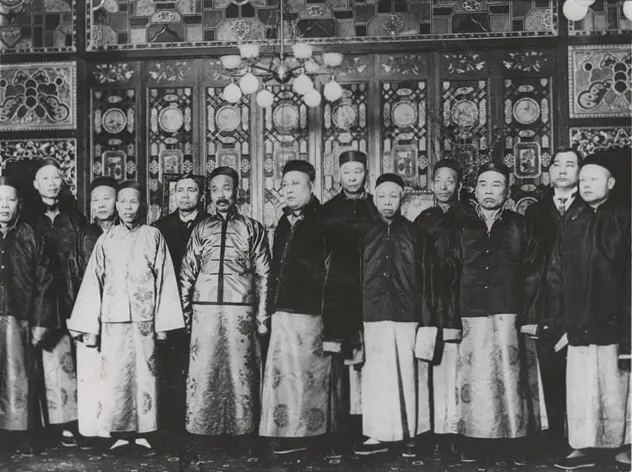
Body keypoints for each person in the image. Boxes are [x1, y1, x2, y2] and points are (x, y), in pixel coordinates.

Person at [67, 180, 185, 456]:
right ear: (117, 206)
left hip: (144, 320)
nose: (128, 207)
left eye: (134, 202)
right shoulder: (106, 239)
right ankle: (120, 433)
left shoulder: (153, 235)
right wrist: (90, 325)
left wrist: (163, 324)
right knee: (115, 378)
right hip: (113, 321)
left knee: (146, 376)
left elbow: (165, 278)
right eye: (123, 202)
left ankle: (145, 434)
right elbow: (93, 282)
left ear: (142, 206)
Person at [448, 162, 547, 465]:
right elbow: (449, 272)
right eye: (483, 185)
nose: (489, 191)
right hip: (471, 312)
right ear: (474, 189)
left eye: (496, 185)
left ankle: (515, 442)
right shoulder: (460, 225)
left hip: (510, 313)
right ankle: (475, 442)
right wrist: (450, 317)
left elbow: (534, 273)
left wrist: (530, 316)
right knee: (475, 380)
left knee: (511, 377)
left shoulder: (521, 225)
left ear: (507, 190)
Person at [546, 150, 630, 470]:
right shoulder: (573, 218)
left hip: (616, 321)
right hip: (578, 321)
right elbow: (556, 272)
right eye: (582, 180)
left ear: (610, 182)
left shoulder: (625, 216)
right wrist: (558, 320)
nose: (585, 185)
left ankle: (625, 444)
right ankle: (584, 446)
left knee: (617, 386)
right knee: (583, 386)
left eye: (593, 179)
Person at [180, 166, 270, 447]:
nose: (222, 195)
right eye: (216, 189)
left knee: (240, 372)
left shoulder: (252, 227)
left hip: (240, 310)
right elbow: (187, 272)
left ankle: (242, 430)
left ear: (237, 192)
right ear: (209, 193)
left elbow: (264, 274)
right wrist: (184, 314)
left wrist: (263, 315)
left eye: (227, 188)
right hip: (204, 309)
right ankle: (204, 430)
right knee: (205, 371)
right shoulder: (200, 228)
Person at [355, 173, 439, 456]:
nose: (387, 202)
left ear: (402, 197)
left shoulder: (417, 235)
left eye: (393, 196)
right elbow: (354, 278)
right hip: (373, 315)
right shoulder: (364, 234)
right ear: (374, 198)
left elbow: (428, 281)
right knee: (377, 377)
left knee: (410, 376)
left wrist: (427, 322)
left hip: (408, 315)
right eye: (382, 196)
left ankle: (412, 434)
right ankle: (378, 435)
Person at [259, 160, 336, 454]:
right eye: (286, 184)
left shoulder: (324, 221)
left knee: (309, 377)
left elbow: (333, 271)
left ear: (311, 187)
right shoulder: (282, 223)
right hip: (282, 312)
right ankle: (283, 433)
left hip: (311, 313)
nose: (289, 190)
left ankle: (308, 437)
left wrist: (329, 313)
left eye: (296, 184)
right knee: (282, 377)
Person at [22, 157, 86, 447]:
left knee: (63, 363)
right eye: (45, 178)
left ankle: (65, 425)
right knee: (30, 363)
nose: (51, 183)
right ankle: (31, 427)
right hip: (32, 298)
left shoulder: (74, 218)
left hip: (67, 298)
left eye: (56, 177)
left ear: (63, 182)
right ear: (36, 185)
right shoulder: (26, 218)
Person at [524, 147, 585, 442]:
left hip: (582, 300)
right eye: (556, 164)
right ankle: (554, 439)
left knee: (582, 372)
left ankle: (581, 438)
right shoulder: (535, 212)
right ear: (548, 171)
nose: (562, 170)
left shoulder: (590, 208)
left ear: (579, 172)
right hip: (546, 302)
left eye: (570, 164)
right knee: (549, 370)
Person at [321, 150, 378, 451]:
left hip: (372, 291)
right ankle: (341, 427)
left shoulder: (376, 206)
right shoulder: (329, 210)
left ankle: (369, 424)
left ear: (366, 173)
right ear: (338, 175)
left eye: (358, 171)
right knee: (341, 363)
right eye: (347, 172)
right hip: (340, 293)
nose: (353, 177)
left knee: (371, 360)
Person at [414, 160, 467, 454]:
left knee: (459, 367)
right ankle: (435, 430)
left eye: (451, 180)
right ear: (432, 184)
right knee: (433, 366)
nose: (445, 186)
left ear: (458, 185)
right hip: (430, 300)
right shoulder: (424, 219)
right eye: (439, 180)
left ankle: (457, 429)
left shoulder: (469, 216)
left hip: (460, 299)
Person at [0, 176, 56, 455]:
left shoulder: (30, 235)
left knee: (20, 379)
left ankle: (21, 436)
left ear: (19, 203)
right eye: (0, 200)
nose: (4, 206)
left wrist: (41, 321)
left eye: (10, 199)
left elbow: (45, 282)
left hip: (19, 318)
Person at [153, 173, 207, 432]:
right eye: (181, 190)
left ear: (201, 195)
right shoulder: (160, 227)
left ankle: (201, 419)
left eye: (192, 190)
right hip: (170, 303)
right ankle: (173, 424)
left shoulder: (210, 224)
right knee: (172, 362)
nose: (185, 195)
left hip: (204, 304)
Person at [66, 176, 119, 443]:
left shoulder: (128, 232)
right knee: (90, 373)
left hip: (120, 315)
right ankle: (90, 431)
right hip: (90, 313)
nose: (100, 205)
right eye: (95, 199)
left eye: (106, 198)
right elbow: (73, 276)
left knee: (116, 373)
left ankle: (116, 429)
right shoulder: (84, 234)